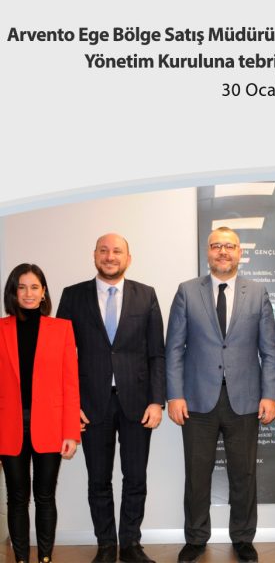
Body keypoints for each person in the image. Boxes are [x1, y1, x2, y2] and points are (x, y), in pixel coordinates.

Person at [165, 226, 275, 563]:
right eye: (217, 246)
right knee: (197, 474)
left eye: (230, 246)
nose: (223, 252)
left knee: (244, 474)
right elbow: (174, 348)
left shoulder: (257, 292)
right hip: (197, 400)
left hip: (245, 400)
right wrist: (174, 395)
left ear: (240, 252)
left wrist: (270, 395)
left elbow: (269, 350)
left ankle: (243, 538)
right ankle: (196, 538)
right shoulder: (187, 291)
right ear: (208, 252)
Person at [57, 234, 165, 563]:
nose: (110, 256)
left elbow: (157, 353)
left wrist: (156, 401)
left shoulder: (146, 295)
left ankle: (130, 544)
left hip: (138, 404)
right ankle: (106, 545)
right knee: (98, 480)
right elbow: (60, 356)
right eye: (104, 250)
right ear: (94, 255)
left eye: (117, 251)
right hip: (91, 405)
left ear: (128, 258)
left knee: (136, 478)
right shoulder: (73, 295)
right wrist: (70, 406)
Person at [0, 263, 80, 563]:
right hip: (8, 427)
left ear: (43, 291)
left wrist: (71, 432)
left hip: (50, 426)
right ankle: (21, 559)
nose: (28, 293)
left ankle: (45, 558)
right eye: (22, 287)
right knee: (17, 498)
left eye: (34, 287)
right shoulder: (1, 329)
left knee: (45, 497)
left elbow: (70, 385)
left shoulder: (62, 329)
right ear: (13, 292)